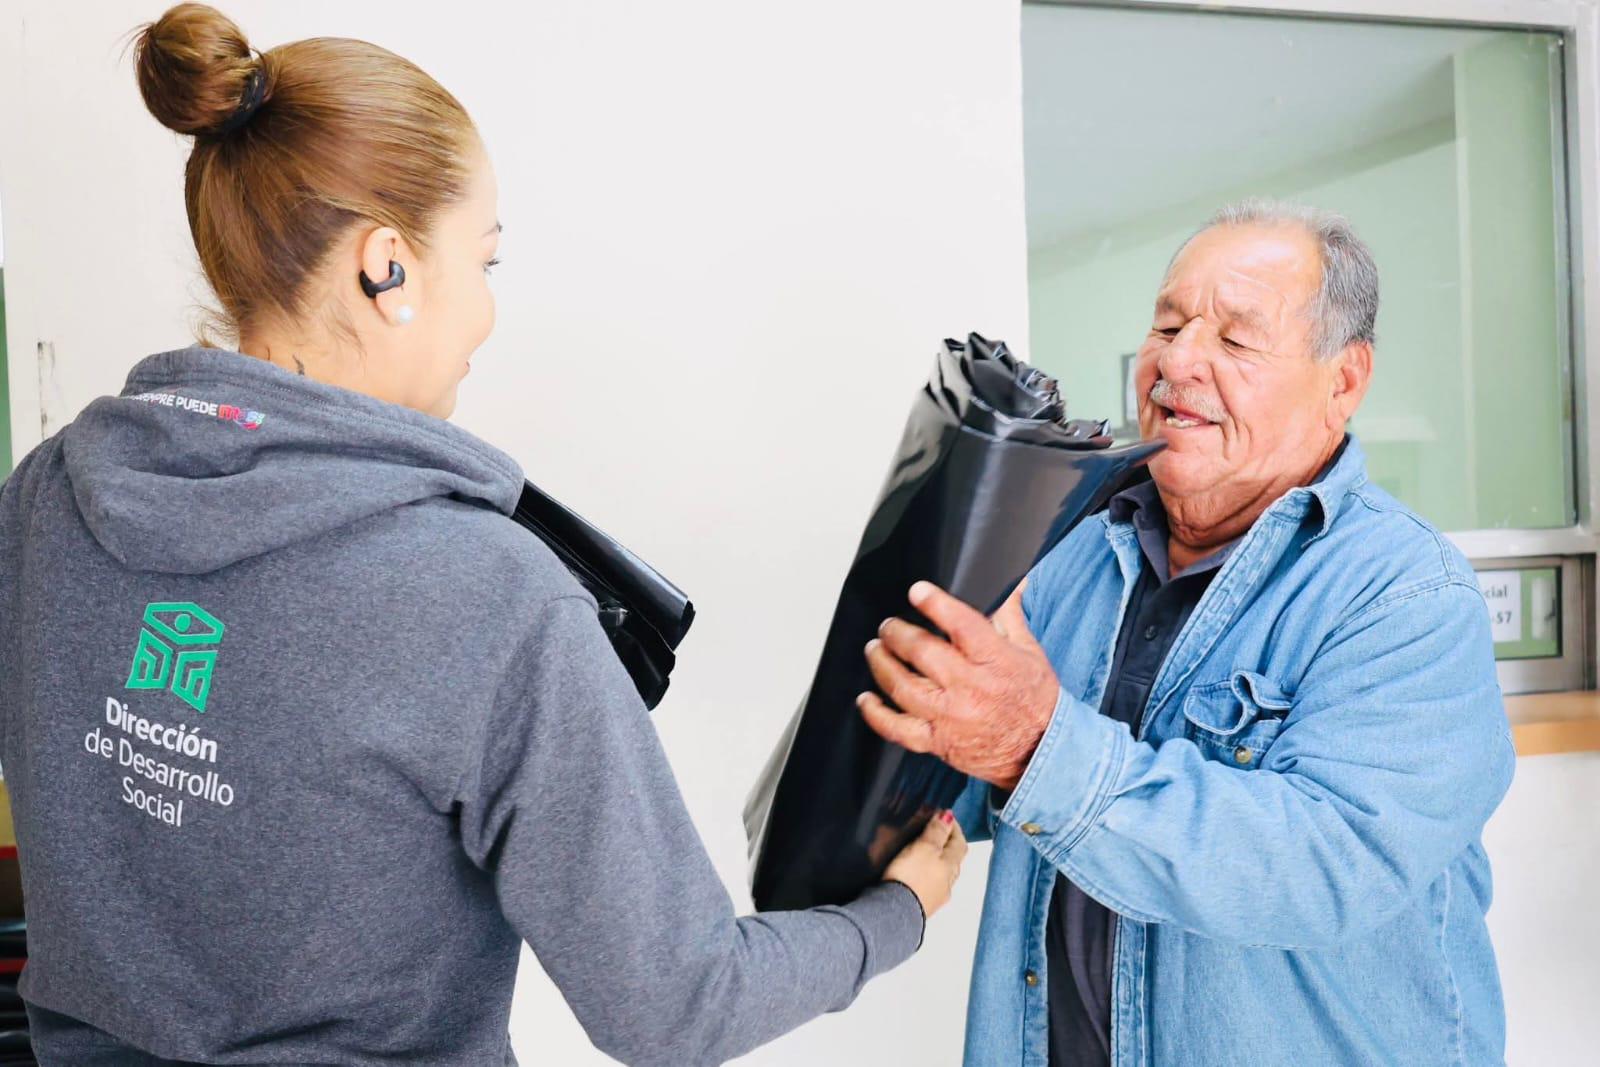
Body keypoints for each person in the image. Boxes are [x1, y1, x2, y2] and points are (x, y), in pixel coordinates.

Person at [0, 5, 966, 1064]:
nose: (487, 314)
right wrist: (895, 914)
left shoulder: (44, 497)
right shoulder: (487, 594)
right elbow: (677, 1004)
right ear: (386, 267)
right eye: (485, 262)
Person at [858, 200, 1514, 1066]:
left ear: (1343, 381)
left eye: (1236, 338)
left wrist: (1033, 746)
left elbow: (1322, 869)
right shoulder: (1069, 548)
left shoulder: (1406, 594)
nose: (1175, 361)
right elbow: (970, 783)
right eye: (1167, 326)